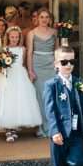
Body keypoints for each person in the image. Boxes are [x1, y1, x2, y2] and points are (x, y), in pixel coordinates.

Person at [0, 26, 43, 142]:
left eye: (16, 37)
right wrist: (3, 68)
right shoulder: (5, 48)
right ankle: (8, 130)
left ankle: (14, 128)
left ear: (19, 37)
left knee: (18, 101)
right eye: (12, 37)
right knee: (7, 101)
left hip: (20, 76)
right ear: (8, 37)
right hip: (7, 77)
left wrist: (29, 74)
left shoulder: (23, 49)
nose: (14, 39)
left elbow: (23, 63)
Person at [27, 9, 58, 138]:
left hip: (51, 65)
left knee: (51, 96)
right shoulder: (31, 33)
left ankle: (52, 127)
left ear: (49, 19)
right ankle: (41, 127)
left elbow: (57, 51)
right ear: (37, 19)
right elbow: (29, 52)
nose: (44, 20)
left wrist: (58, 67)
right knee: (40, 97)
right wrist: (30, 70)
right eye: (42, 17)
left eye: (47, 17)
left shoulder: (55, 32)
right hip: (37, 65)